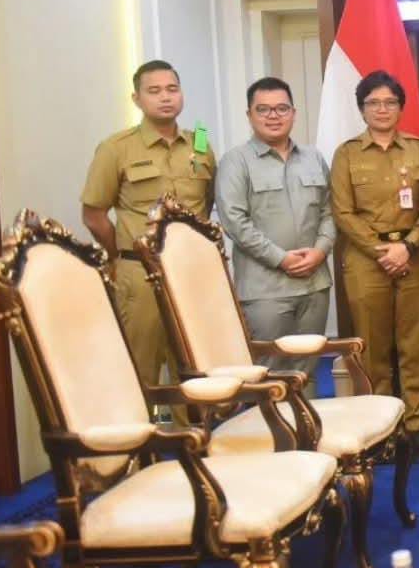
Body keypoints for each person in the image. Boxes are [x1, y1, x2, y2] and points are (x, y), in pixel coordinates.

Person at [81, 60, 215, 423]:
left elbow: (205, 206)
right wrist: (121, 254)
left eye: (172, 89)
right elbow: (93, 213)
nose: (165, 98)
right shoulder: (116, 148)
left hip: (190, 274)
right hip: (140, 273)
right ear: (137, 99)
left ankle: (194, 442)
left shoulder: (201, 144)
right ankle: (139, 447)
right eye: (154, 91)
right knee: (140, 368)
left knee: (193, 366)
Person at [330, 71, 419, 457]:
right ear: (362, 109)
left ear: (401, 108)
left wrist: (407, 246)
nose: (382, 109)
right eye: (373, 103)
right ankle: (382, 431)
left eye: (390, 102)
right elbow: (343, 212)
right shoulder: (347, 154)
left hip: (414, 254)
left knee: (415, 344)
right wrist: (382, 250)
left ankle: (416, 426)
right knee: (373, 348)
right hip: (366, 259)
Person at [216, 77, 335, 387]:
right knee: (269, 375)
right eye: (263, 109)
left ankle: (307, 421)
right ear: (249, 115)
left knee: (307, 371)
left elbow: (329, 211)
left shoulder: (313, 158)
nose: (273, 116)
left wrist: (321, 250)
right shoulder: (235, 162)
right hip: (265, 290)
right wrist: (281, 259)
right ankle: (270, 423)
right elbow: (234, 221)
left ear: (293, 113)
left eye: (281, 108)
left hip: (314, 284)